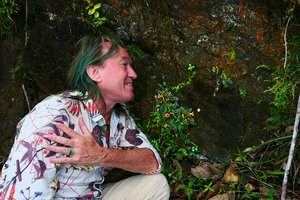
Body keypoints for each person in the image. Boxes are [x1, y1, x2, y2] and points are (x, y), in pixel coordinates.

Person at [0, 36, 170, 199]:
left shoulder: (119, 116)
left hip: (90, 196)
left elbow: (153, 163)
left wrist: (101, 155)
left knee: (157, 186)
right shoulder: (55, 114)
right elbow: (23, 193)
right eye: (124, 65)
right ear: (95, 72)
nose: (133, 74)